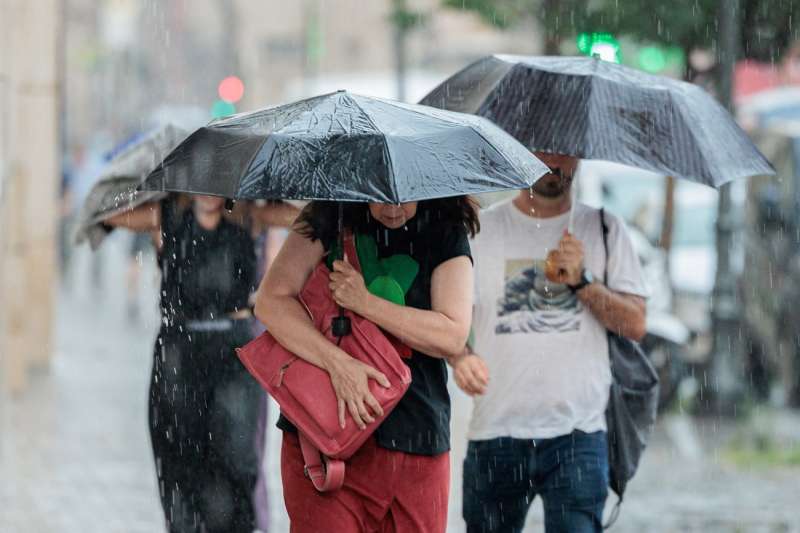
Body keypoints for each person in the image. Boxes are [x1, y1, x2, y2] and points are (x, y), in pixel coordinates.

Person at [452, 152, 648, 533]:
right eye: (541, 148)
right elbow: (450, 320)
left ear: (579, 155)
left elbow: (636, 324)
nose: (553, 161)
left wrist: (582, 281)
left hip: (579, 434)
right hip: (496, 430)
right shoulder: (481, 232)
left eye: (563, 149)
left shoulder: (605, 228)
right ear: (518, 150)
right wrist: (460, 358)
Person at [254, 199, 477, 533]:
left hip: (416, 438)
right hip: (326, 440)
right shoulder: (330, 212)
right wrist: (338, 364)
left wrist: (365, 303)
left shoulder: (445, 225)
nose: (393, 209)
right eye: (381, 198)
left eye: (405, 198)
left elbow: (451, 335)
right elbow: (271, 302)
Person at [105, 195, 297, 533]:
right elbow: (106, 213)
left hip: (235, 351)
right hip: (179, 352)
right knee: (179, 462)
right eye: (199, 178)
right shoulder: (164, 216)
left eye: (217, 179)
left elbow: (306, 218)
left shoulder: (248, 214)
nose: (208, 189)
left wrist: (271, 191)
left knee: (238, 462)